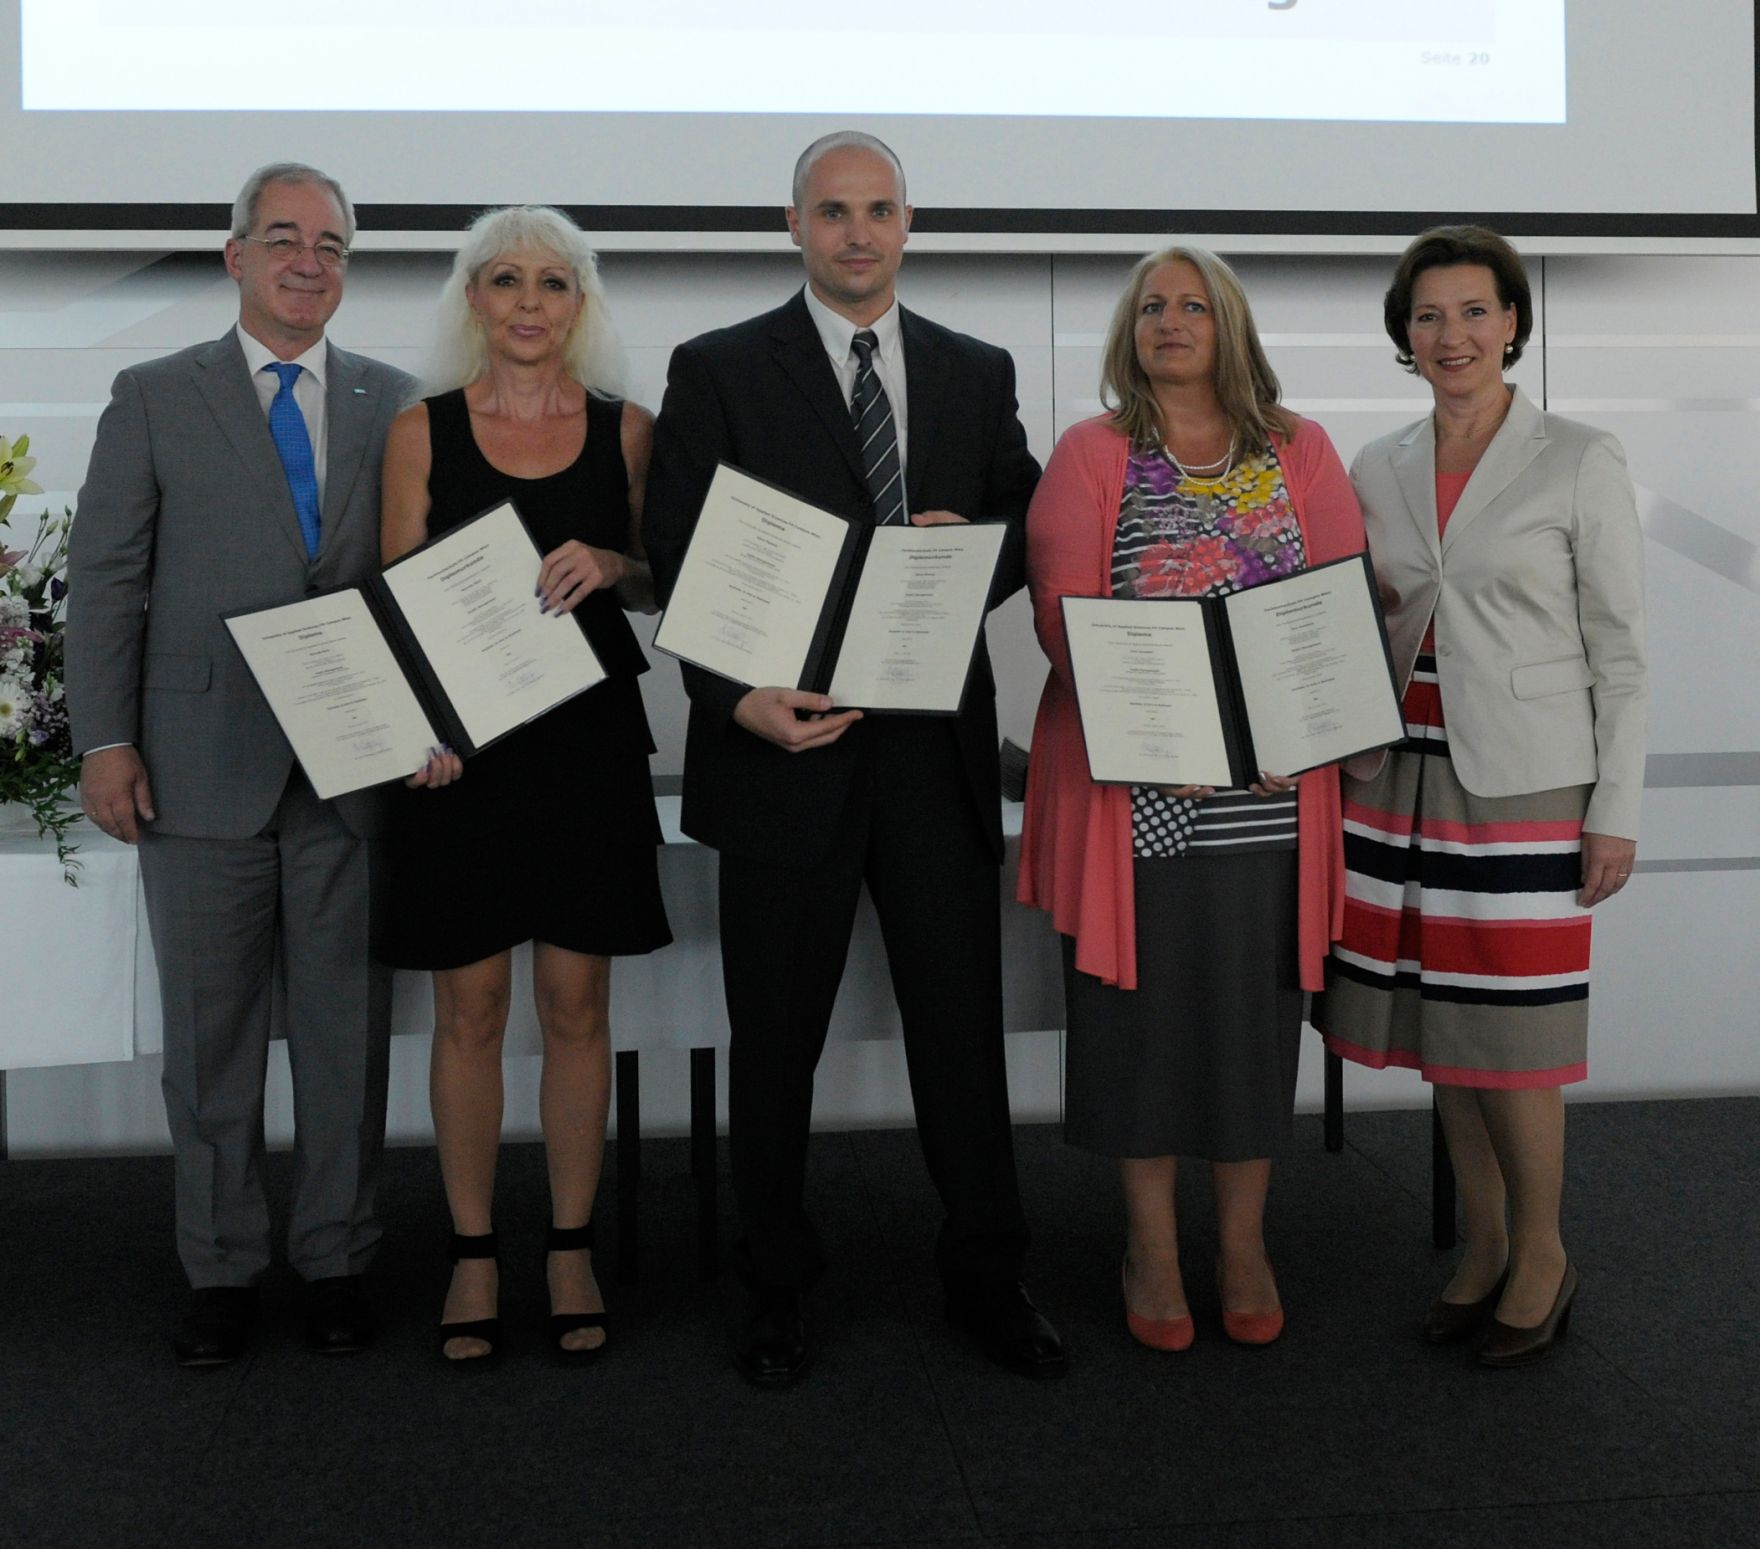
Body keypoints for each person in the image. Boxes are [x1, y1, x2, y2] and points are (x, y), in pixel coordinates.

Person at [643, 130, 1062, 1386]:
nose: (857, 232)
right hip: (782, 751)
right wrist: (734, 701)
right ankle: (774, 1285)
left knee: (959, 1036)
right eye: (832, 211)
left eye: (878, 209)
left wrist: (967, 546)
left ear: (906, 222)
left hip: (932, 756)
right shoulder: (718, 368)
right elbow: (677, 551)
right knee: (774, 1047)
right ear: (793, 225)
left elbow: (1027, 521)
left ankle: (986, 1276)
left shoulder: (973, 369)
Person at [67, 163, 415, 1365]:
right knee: (209, 1045)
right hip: (196, 769)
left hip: (351, 772)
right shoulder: (155, 394)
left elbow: (418, 587)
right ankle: (220, 1268)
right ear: (235, 257)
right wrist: (105, 739)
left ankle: (338, 1258)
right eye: (283, 239)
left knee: (344, 1036)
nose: (308, 262)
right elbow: (106, 579)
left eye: (331, 244)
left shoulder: (394, 401)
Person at [1018, 246, 1366, 1350]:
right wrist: (1157, 736)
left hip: (1272, 797)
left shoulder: (1301, 449)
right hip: (1141, 799)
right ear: (1130, 332)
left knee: (1252, 1026)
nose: (1171, 321)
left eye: (1195, 305)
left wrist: (1285, 728)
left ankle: (1245, 1244)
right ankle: (1153, 1249)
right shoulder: (1092, 452)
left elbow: (1333, 611)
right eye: (1152, 307)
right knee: (1140, 1029)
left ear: (1230, 326)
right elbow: (1062, 614)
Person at [1314, 226, 1647, 1366]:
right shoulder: (1377, 463)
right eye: (1427, 315)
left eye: (1472, 311)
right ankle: (1484, 1242)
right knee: (1444, 1028)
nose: (1449, 334)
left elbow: (1622, 649)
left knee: (1515, 1035)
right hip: (1393, 777)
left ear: (1511, 322)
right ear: (1403, 334)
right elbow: (1350, 616)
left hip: (1525, 785)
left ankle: (1543, 1253)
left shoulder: (1578, 456)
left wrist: (1615, 808)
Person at [379, 206, 671, 1363]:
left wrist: (612, 561)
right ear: (473, 300)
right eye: (505, 280)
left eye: (552, 283)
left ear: (579, 303)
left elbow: (662, 581)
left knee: (575, 1005)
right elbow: (395, 603)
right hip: (464, 757)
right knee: (470, 1010)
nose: (529, 304)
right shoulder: (420, 430)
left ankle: (567, 1245)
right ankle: (470, 1254)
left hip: (586, 747)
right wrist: (424, 724)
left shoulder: (628, 429)